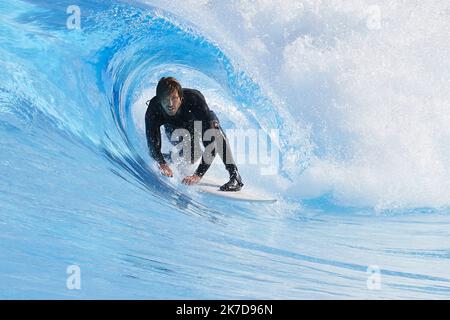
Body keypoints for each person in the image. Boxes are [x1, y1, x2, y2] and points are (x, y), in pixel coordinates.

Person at [145, 77, 244, 191]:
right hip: (175, 128)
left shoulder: (194, 99)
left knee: (216, 134)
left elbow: (212, 145)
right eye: (166, 99)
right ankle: (170, 158)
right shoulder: (154, 109)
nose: (170, 104)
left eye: (174, 98)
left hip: (198, 122)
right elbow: (152, 143)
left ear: (181, 98)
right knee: (190, 157)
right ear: (159, 100)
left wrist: (198, 175)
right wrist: (162, 163)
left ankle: (235, 176)